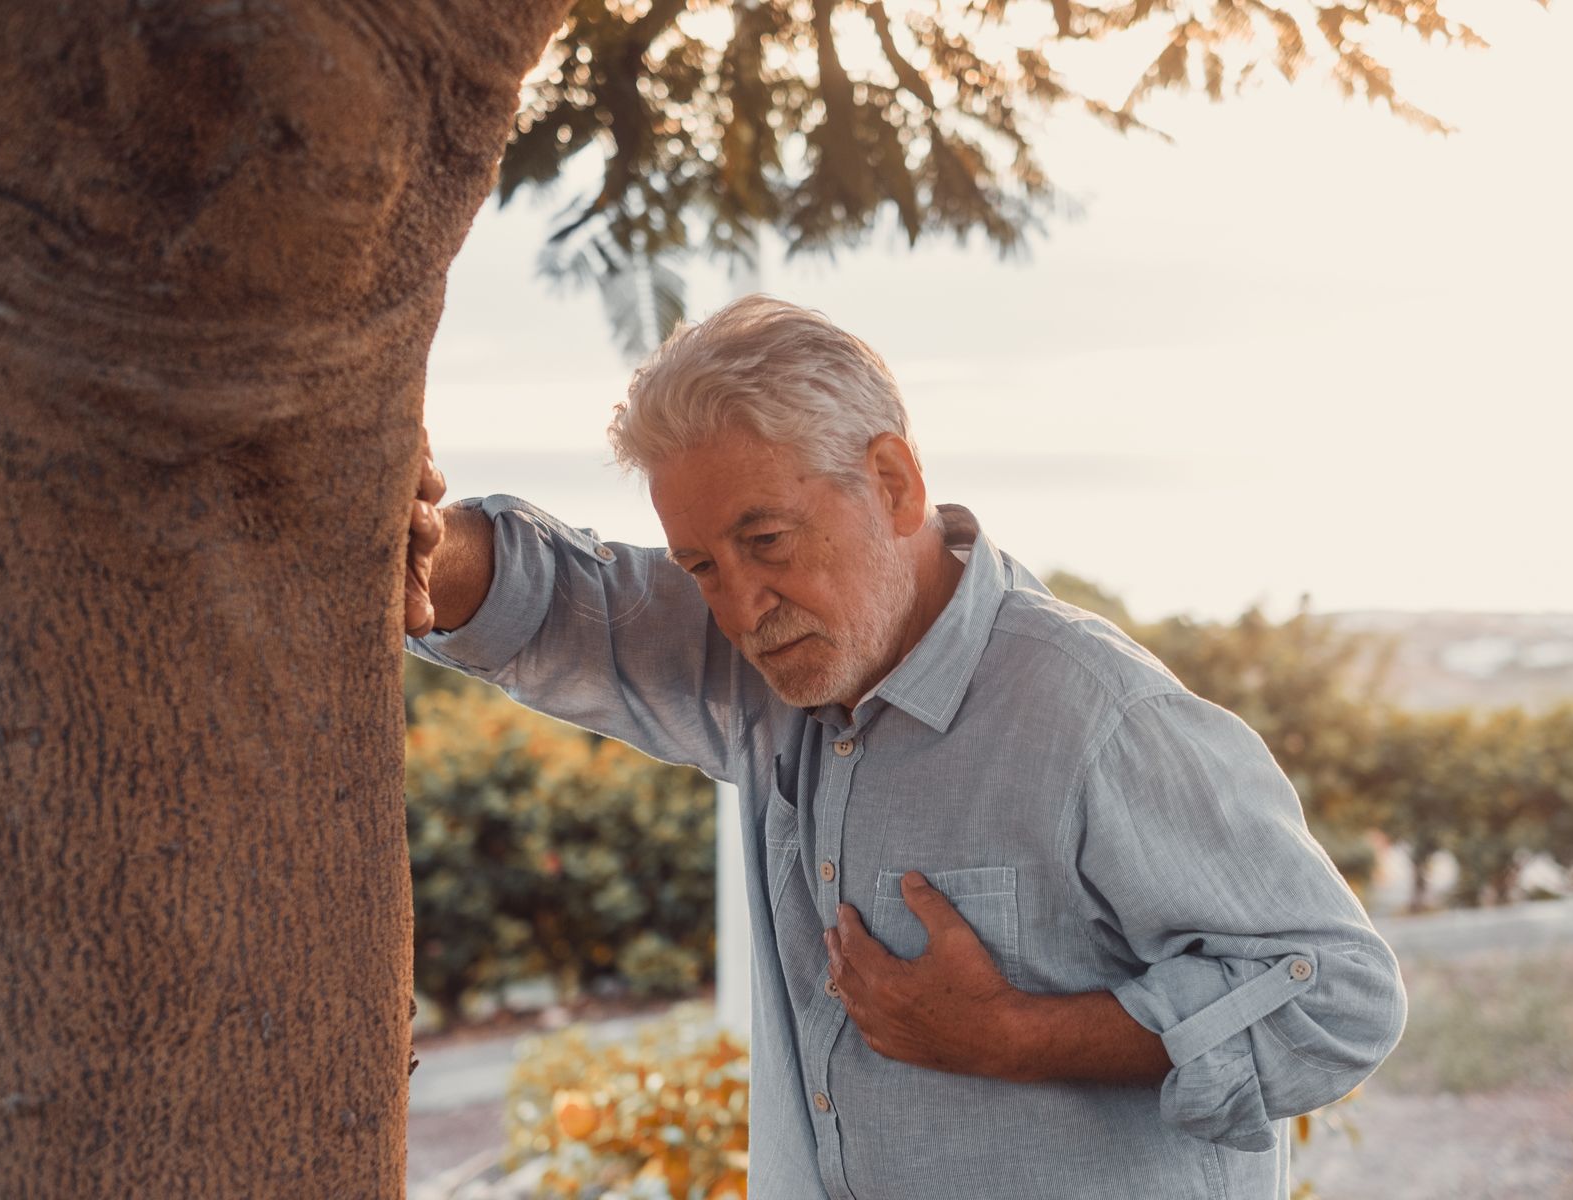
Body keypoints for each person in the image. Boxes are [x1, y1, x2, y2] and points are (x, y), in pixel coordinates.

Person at [404, 295, 1406, 1199]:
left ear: (891, 483)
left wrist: (1016, 1036)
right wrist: (404, 537)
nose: (743, 608)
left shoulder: (1099, 717)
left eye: (769, 542)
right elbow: (573, 606)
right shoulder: (773, 669)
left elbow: (1340, 1000)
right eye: (703, 565)